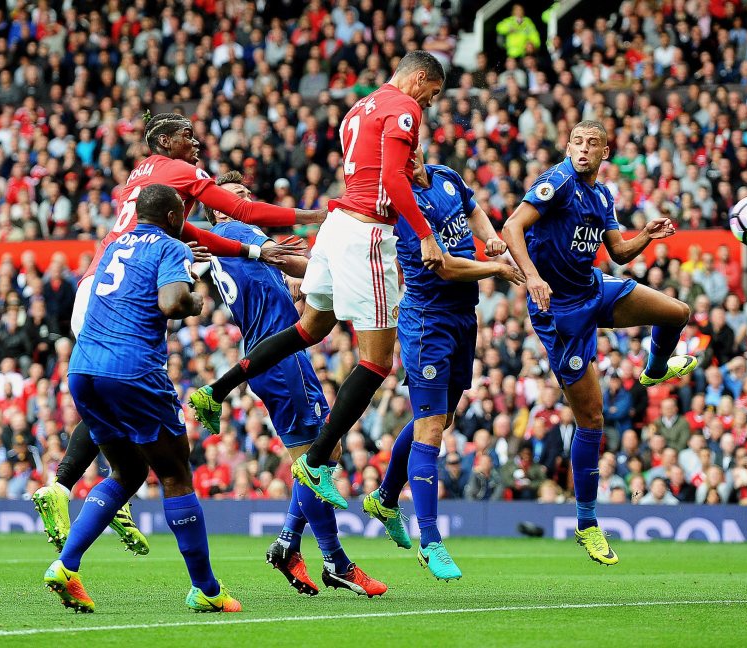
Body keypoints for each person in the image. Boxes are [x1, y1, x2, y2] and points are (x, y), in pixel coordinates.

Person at [32, 111, 320, 554]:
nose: (196, 142)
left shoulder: (142, 180)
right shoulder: (181, 172)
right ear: (164, 142)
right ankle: (74, 485)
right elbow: (238, 210)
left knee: (112, 394)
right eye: (187, 135)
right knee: (151, 420)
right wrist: (311, 213)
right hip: (130, 287)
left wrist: (250, 248)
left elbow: (192, 230)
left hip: (101, 277)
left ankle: (98, 485)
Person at [190, 51, 447, 510]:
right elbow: (390, 177)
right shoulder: (404, 108)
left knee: (309, 330)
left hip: (337, 229)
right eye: (433, 92)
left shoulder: (361, 107)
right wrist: (426, 235)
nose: (430, 103)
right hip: (368, 232)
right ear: (421, 78)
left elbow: (377, 169)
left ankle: (216, 390)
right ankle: (315, 459)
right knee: (377, 363)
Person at [502, 120, 696, 566]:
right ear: (567, 146)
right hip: (560, 314)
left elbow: (619, 254)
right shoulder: (558, 181)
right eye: (576, 141)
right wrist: (532, 277)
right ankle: (587, 524)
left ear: (606, 152)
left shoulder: (602, 195)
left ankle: (654, 369)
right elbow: (512, 226)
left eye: (592, 143)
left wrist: (646, 235)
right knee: (591, 419)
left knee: (677, 312)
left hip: (593, 289)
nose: (583, 149)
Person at [43, 184, 241, 613]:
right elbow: (171, 303)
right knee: (175, 475)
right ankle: (207, 590)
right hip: (132, 371)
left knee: (128, 470)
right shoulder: (171, 247)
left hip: (83, 369)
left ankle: (66, 565)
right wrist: (195, 300)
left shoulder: (113, 246)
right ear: (173, 218)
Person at [203, 172, 386, 597]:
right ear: (215, 207)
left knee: (328, 450)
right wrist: (339, 267)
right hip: (278, 359)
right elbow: (289, 262)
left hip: (280, 354)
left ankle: (287, 543)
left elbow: (284, 284)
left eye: (248, 192)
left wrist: (303, 288)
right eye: (235, 195)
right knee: (314, 460)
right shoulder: (235, 230)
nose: (246, 198)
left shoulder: (234, 242)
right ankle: (336, 561)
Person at [361, 147, 524, 580]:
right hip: (427, 322)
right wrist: (496, 269)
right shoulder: (405, 210)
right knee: (432, 425)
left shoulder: (446, 176)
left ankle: (385, 496)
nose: (410, 162)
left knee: (440, 418)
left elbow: (473, 209)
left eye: (412, 154)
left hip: (461, 318)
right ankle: (430, 540)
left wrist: (489, 236)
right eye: (401, 160)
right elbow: (448, 268)